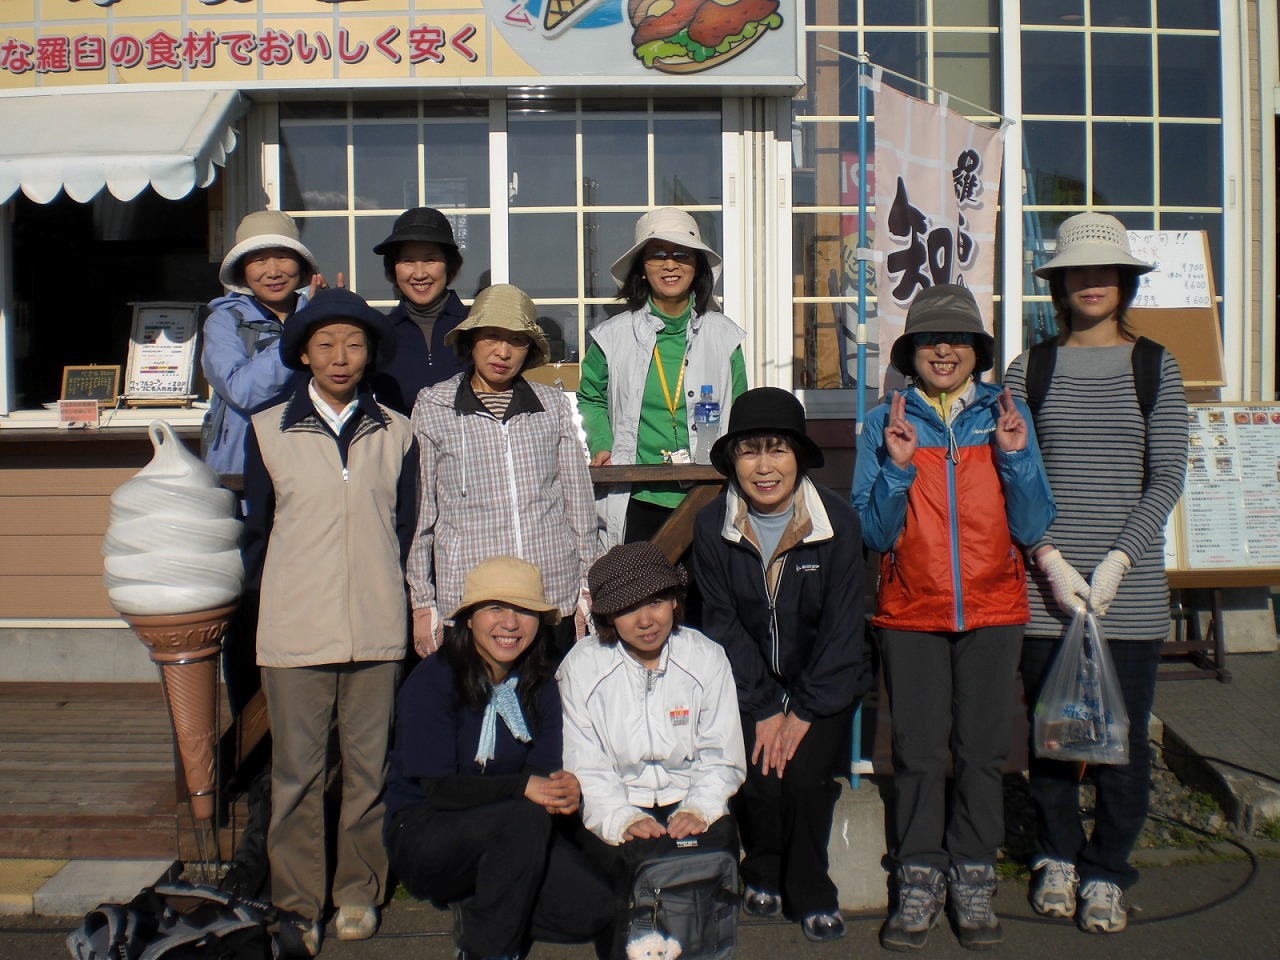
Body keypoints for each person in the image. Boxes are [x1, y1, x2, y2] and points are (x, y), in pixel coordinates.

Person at [851, 284, 1057, 951]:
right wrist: (898, 467)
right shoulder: (884, 421)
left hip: (995, 608)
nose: (945, 350)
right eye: (931, 339)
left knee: (982, 750)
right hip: (910, 610)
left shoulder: (1006, 415)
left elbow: (1033, 524)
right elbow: (874, 533)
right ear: (911, 351)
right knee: (916, 752)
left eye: (959, 339)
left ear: (977, 351)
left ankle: (972, 874)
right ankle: (917, 875)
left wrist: (1015, 456)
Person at [1004, 213, 1188, 935]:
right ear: (1059, 283)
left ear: (1125, 282)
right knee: (1053, 737)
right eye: (1078, 271)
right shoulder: (1030, 368)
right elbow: (1016, 475)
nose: (1092, 282)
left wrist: (1119, 559)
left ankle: (1108, 869)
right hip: (1044, 593)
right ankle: (1056, 855)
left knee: (1123, 741)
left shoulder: (1155, 366)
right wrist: (1047, 558)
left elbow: (1166, 476)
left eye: (1105, 270)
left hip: (1128, 596)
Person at [241, 287, 417, 957]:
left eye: (353, 344)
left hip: (376, 625)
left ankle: (358, 892)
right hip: (295, 629)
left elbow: (407, 529)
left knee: (369, 771)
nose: (340, 357)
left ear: (369, 353)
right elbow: (259, 530)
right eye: (325, 345)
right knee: (298, 776)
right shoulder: (268, 429)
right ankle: (297, 902)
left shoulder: (396, 431)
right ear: (304, 354)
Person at [692, 387, 871, 944]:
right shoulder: (712, 525)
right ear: (733, 460)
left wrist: (804, 710)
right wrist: (766, 706)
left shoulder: (838, 522)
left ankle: (811, 887)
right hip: (749, 682)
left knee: (804, 777)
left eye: (778, 449)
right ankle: (763, 869)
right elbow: (721, 623)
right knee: (756, 774)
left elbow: (844, 629)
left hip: (824, 681)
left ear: (799, 456)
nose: (764, 467)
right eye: (749, 451)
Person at [384, 556, 614, 960]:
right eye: (495, 608)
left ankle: (483, 902)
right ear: (469, 618)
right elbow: (438, 790)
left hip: (514, 837)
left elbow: (543, 773)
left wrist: (561, 790)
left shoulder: (541, 683)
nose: (510, 623)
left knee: (594, 908)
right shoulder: (433, 681)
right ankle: (487, 948)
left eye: (524, 611)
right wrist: (523, 787)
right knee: (522, 818)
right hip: (426, 831)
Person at [558, 542, 746, 955]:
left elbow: (721, 753)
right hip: (618, 800)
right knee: (625, 894)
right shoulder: (582, 667)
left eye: (656, 602)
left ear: (675, 601)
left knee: (704, 879)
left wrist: (700, 807)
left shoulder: (706, 657)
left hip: (688, 795)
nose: (645, 621)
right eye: (628, 609)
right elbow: (585, 763)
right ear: (608, 615)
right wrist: (621, 817)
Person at [406, 283, 599, 662]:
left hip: (549, 591)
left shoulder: (552, 405)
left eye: (517, 340)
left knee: (548, 695)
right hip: (469, 597)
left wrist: (586, 584)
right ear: (471, 340)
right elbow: (422, 513)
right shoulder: (434, 405)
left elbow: (578, 502)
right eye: (492, 336)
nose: (503, 352)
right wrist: (422, 599)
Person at [200, 210, 328, 719]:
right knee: (249, 607)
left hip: (310, 477)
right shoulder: (224, 321)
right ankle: (251, 734)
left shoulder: (319, 311)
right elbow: (244, 389)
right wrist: (302, 328)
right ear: (241, 270)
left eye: (282, 257)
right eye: (258, 260)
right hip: (242, 485)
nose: (272, 270)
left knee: (308, 602)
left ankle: (305, 726)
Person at [578, 207, 749, 548]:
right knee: (639, 583)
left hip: (709, 492)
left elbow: (741, 409)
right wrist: (602, 443)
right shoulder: (611, 337)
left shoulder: (725, 336)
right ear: (641, 270)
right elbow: (590, 397)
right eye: (657, 255)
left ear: (697, 267)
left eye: (682, 255)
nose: (670, 265)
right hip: (636, 496)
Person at [368, 207, 469, 414]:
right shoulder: (379, 335)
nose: (419, 274)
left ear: (449, 265)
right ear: (393, 268)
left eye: (430, 260)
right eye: (407, 261)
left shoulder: (476, 328)